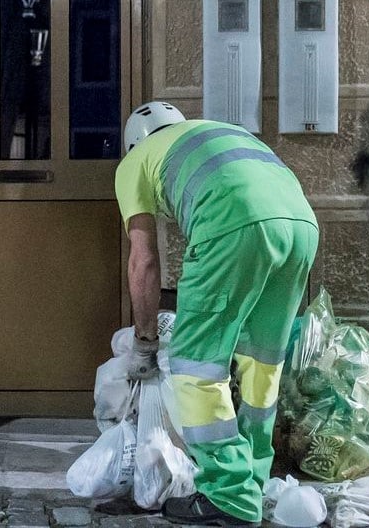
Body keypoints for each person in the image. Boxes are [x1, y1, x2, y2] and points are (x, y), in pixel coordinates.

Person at [115, 102, 319, 527]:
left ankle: (227, 495)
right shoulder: (218, 132)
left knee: (196, 365)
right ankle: (254, 479)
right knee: (263, 360)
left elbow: (144, 261)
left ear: (134, 142)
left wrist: (145, 340)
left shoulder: (135, 162)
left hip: (232, 224)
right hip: (301, 226)